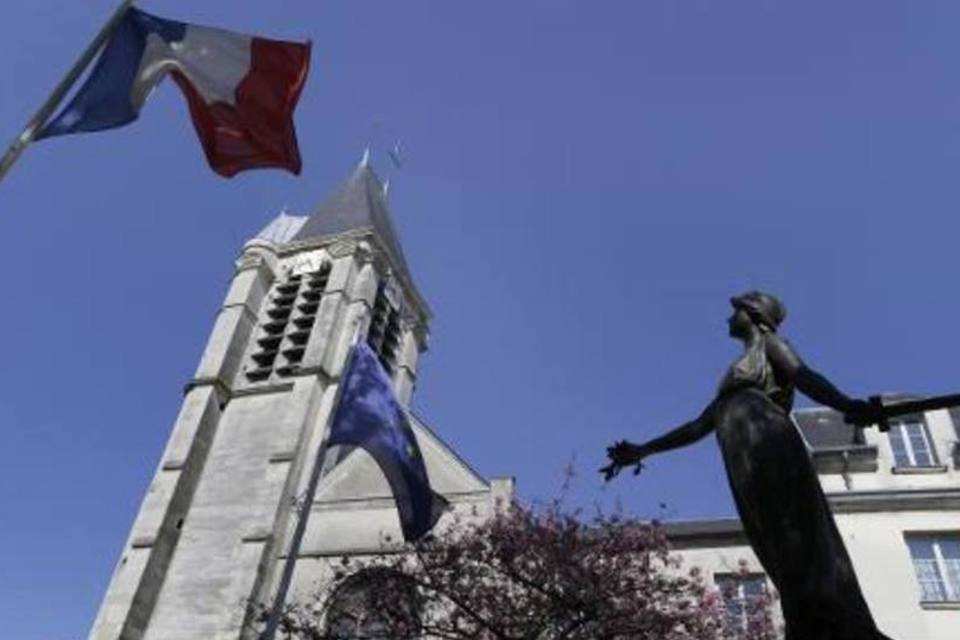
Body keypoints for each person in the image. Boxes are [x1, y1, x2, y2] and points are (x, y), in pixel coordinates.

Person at [600, 291, 894, 640]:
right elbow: (698, 426)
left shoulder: (770, 346)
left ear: (754, 314)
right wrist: (644, 449)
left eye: (736, 310)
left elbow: (804, 376)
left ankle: (824, 616)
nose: (728, 317)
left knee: (791, 531)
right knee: (771, 539)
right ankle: (806, 614)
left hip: (766, 437)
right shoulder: (736, 379)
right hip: (742, 451)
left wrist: (847, 405)